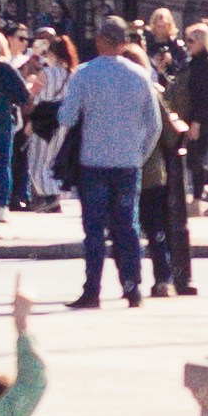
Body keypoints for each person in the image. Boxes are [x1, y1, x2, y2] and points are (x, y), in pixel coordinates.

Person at [53, 23, 159, 310]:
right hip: (127, 163)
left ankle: (92, 290)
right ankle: (132, 287)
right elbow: (154, 124)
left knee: (94, 230)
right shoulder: (140, 75)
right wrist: (139, 154)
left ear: (99, 41)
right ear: (124, 43)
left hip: (93, 162)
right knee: (127, 227)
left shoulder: (85, 74)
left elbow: (67, 117)